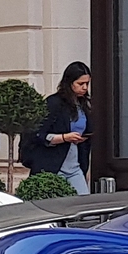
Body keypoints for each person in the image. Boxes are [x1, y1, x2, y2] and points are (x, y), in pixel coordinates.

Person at [24, 62, 94, 194]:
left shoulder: (83, 105)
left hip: (75, 166)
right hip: (53, 165)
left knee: (84, 203)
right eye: (80, 84)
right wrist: (64, 137)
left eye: (87, 84)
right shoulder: (54, 103)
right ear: (69, 83)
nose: (84, 88)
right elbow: (38, 134)